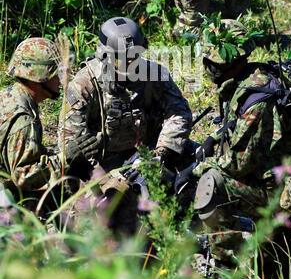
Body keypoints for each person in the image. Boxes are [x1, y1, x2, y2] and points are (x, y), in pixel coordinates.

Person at [174, 19, 291, 267]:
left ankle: (231, 264)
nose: (206, 67)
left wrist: (195, 170)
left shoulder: (257, 98)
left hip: (281, 188)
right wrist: (213, 138)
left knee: (212, 181)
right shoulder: (249, 79)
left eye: (211, 62)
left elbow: (237, 164)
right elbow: (236, 127)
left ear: (229, 62)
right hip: (270, 172)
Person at [59, 16, 193, 235]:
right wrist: (108, 179)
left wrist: (160, 154)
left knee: (191, 173)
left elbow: (179, 112)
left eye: (136, 56)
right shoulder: (84, 85)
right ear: (106, 58)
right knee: (98, 221)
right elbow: (71, 144)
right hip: (98, 168)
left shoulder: (154, 74)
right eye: (124, 59)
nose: (132, 64)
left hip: (147, 157)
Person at [0, 38, 100, 221]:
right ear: (40, 77)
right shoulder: (23, 120)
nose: (62, 80)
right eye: (56, 74)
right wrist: (66, 158)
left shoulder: (10, 96)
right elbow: (23, 177)